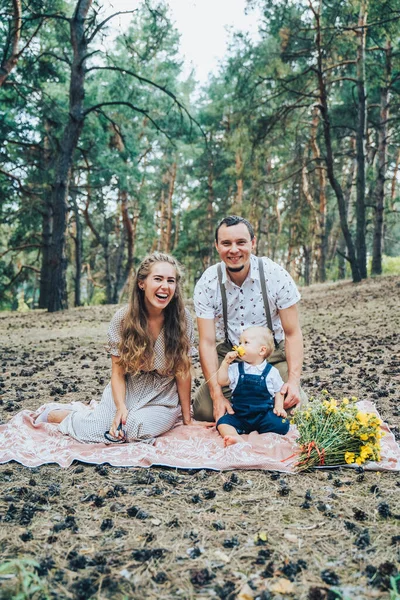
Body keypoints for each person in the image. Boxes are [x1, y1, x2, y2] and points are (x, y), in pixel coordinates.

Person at [36, 252, 212, 443]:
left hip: (163, 396)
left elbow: (182, 372)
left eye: (171, 281)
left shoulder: (182, 318)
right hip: (128, 388)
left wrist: (187, 418)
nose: (165, 286)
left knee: (135, 428)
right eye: (158, 279)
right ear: (141, 283)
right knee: (100, 429)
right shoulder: (123, 319)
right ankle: (64, 415)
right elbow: (118, 373)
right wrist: (120, 407)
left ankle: (103, 416)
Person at [193, 215, 305, 423]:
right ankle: (246, 404)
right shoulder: (208, 282)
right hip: (232, 355)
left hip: (271, 354)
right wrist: (217, 395)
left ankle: (257, 405)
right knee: (204, 411)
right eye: (226, 243)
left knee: (296, 410)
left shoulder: (275, 275)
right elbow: (207, 343)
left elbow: (292, 333)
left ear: (253, 243)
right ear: (217, 246)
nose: (233, 250)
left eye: (241, 242)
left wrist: (293, 381)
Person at [216, 326, 289, 446]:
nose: (240, 346)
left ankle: (263, 434)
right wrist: (225, 363)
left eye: (246, 343)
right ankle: (234, 437)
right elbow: (222, 381)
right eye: (240, 343)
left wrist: (279, 407)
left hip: (263, 415)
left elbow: (279, 391)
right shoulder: (236, 368)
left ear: (261, 351)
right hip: (239, 414)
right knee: (222, 423)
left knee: (282, 424)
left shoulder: (271, 372)